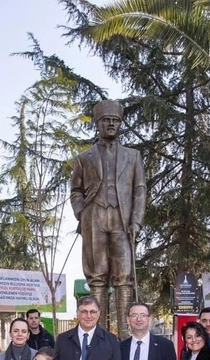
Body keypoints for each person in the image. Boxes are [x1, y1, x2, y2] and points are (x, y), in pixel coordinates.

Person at [68, 98, 146, 333]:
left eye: (115, 120)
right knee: (97, 277)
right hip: (94, 217)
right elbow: (75, 190)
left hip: (122, 220)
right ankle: (97, 334)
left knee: (124, 277)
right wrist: (82, 214)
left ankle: (125, 333)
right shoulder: (84, 158)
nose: (111, 124)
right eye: (106, 121)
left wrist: (136, 221)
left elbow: (140, 190)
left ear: (120, 124)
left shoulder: (133, 156)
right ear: (98, 124)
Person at [56, 297, 124, 360]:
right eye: (84, 311)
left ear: (99, 313)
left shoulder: (111, 340)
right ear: (77, 313)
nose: (88, 316)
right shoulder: (63, 339)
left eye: (92, 312)